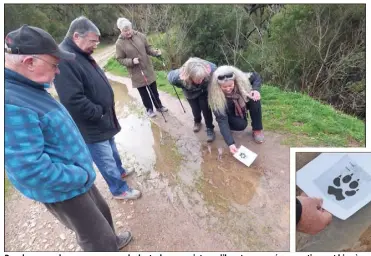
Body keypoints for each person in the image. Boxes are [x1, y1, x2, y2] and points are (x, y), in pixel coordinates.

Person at [5, 25, 132, 251]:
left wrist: (81, 173)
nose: (58, 71)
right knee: (95, 237)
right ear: (29, 62)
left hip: (76, 177)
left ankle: (112, 241)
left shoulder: (27, 87)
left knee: (103, 214)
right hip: (64, 186)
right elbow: (29, 170)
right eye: (54, 64)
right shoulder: (10, 103)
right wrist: (78, 175)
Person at [54, 16, 141, 200]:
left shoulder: (80, 53)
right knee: (105, 158)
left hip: (102, 119)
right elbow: (72, 99)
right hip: (91, 124)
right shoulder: (65, 58)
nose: (96, 45)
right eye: (93, 41)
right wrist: (98, 112)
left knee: (112, 150)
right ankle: (119, 190)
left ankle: (121, 172)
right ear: (77, 36)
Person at [115, 17, 168, 118]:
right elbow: (119, 59)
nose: (127, 32)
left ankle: (159, 106)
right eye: (124, 31)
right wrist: (131, 61)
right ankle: (149, 109)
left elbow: (148, 48)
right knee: (144, 94)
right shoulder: (119, 43)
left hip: (147, 68)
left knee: (154, 90)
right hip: (136, 72)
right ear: (120, 30)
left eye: (128, 29)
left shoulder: (140, 35)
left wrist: (155, 52)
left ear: (131, 27)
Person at [208, 65, 265, 154]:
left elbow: (256, 76)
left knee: (255, 99)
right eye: (224, 87)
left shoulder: (241, 78)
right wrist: (231, 143)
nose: (228, 89)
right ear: (218, 86)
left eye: (230, 85)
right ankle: (229, 127)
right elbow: (222, 120)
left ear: (235, 80)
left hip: (242, 102)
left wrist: (256, 90)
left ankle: (257, 130)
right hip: (229, 113)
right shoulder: (215, 96)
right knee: (241, 125)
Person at [167, 57, 217, 142]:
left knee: (206, 109)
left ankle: (210, 128)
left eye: (202, 78)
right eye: (198, 79)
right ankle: (197, 121)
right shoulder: (176, 77)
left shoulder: (212, 69)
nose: (201, 81)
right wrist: (183, 86)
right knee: (195, 109)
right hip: (190, 92)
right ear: (189, 76)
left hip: (204, 91)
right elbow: (169, 77)